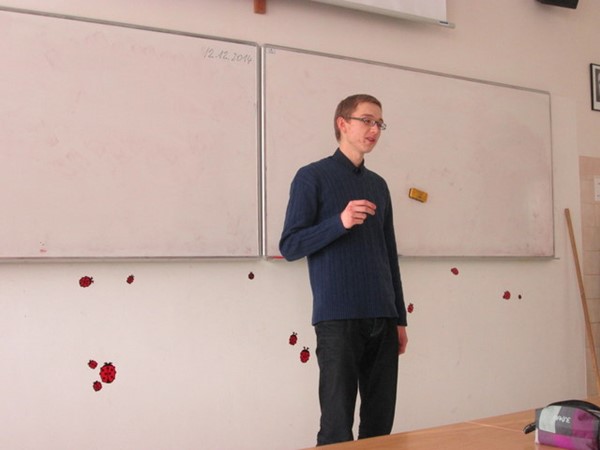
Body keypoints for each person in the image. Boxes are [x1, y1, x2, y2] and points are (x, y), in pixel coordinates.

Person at [279, 94, 408, 446]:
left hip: (383, 318)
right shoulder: (311, 177)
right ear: (342, 123)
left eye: (379, 123)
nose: (374, 129)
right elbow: (290, 245)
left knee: (380, 428)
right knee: (336, 429)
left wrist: (399, 319)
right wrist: (340, 221)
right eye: (367, 120)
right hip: (338, 319)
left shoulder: (378, 185)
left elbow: (389, 255)